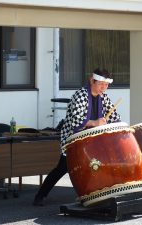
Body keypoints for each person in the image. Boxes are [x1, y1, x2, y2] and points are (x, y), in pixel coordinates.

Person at [33, 68, 121, 206]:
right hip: (73, 138)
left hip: (93, 139)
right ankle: (40, 195)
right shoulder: (80, 96)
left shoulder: (103, 98)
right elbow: (75, 121)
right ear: (92, 80)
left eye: (106, 85)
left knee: (95, 166)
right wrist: (94, 122)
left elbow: (115, 117)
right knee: (62, 168)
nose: (104, 88)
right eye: (101, 84)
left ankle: (95, 195)